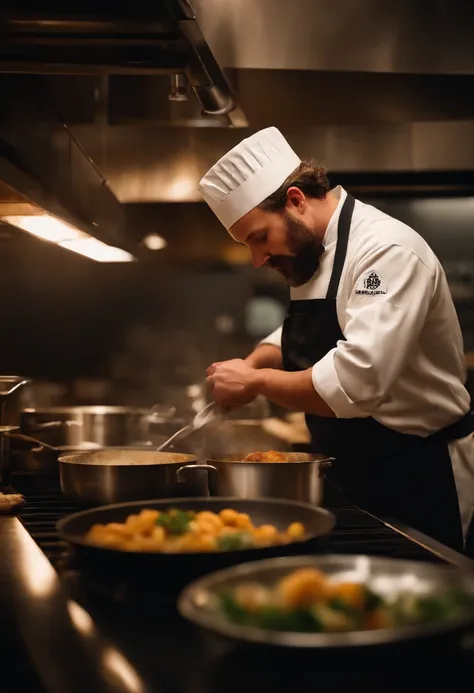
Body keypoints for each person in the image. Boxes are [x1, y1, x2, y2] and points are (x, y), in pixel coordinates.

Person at [199, 126, 474, 554]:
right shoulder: (311, 248)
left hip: (419, 472)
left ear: (295, 200)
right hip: (351, 470)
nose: (257, 259)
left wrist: (254, 384)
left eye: (258, 238)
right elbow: (308, 330)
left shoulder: (386, 250)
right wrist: (255, 362)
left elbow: (356, 379)